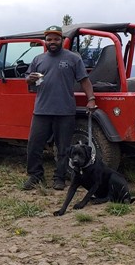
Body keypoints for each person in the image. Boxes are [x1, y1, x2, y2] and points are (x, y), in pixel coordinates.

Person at [23, 25, 97, 191]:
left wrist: (91, 99)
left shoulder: (73, 59)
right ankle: (35, 176)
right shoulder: (38, 59)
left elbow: (84, 80)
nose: (53, 42)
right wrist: (30, 79)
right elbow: (28, 79)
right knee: (34, 145)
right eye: (49, 39)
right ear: (45, 42)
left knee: (63, 148)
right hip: (41, 110)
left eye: (56, 39)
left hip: (65, 111)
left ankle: (60, 178)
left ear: (62, 40)